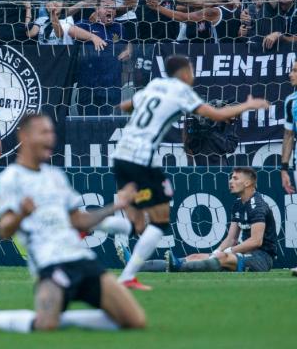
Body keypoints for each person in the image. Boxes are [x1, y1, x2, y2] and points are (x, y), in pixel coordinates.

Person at [0, 113, 146, 333]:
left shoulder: (56, 176)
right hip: (50, 265)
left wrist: (115, 207)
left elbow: (79, 220)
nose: (51, 138)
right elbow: (3, 230)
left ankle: (65, 319)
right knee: (46, 325)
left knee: (135, 321)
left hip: (81, 259)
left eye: (52, 132)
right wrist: (22, 213)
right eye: (44, 132)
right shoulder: (10, 178)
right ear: (25, 135)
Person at [109, 55, 269, 290]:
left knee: (142, 225)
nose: (192, 75)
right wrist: (248, 106)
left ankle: (100, 227)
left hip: (121, 153)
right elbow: (218, 115)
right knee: (158, 219)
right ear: (184, 73)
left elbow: (126, 106)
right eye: (191, 70)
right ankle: (117, 258)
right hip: (140, 158)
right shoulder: (181, 91)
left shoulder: (154, 85)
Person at [167, 167, 278, 273]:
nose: (230, 181)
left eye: (235, 178)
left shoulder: (257, 206)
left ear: (247, 183)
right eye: (231, 178)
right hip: (243, 253)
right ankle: (166, 264)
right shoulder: (238, 204)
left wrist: (229, 251)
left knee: (222, 257)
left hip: (262, 258)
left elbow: (256, 241)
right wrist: (216, 252)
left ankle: (178, 267)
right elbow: (231, 239)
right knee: (195, 256)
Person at [280, 60, 297, 276]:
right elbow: (288, 135)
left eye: (295, 70)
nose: (290, 74)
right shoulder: (291, 101)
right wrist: (284, 168)